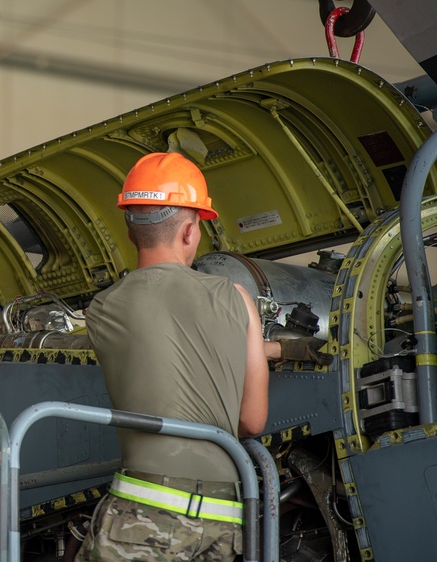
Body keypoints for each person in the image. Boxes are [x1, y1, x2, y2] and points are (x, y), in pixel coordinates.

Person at [77, 152, 270, 562]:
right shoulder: (236, 298)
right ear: (189, 231)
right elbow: (252, 421)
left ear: (130, 233)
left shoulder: (101, 309)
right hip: (223, 519)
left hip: (142, 514)